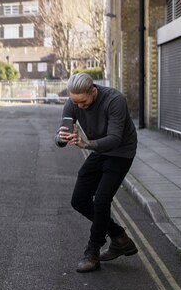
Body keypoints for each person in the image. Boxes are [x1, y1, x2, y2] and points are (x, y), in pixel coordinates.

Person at [55, 73, 138, 273]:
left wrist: (87, 144)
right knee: (79, 200)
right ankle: (120, 237)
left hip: (120, 152)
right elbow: (61, 136)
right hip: (99, 149)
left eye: (83, 101)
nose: (79, 106)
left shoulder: (114, 100)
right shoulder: (72, 102)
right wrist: (60, 137)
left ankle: (93, 251)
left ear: (93, 91)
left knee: (101, 199)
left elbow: (115, 138)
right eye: (75, 102)